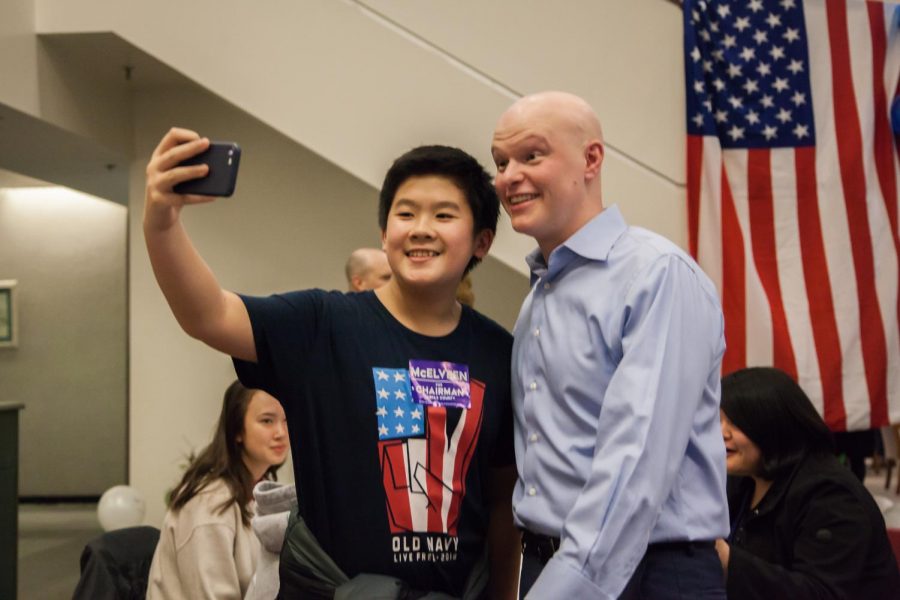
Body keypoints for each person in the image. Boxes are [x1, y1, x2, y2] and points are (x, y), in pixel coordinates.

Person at [143, 130, 520, 599]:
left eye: (444, 215)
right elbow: (208, 315)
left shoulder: (499, 353)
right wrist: (161, 222)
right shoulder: (323, 325)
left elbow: (506, 502)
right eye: (405, 213)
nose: (421, 227)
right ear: (384, 235)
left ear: (481, 242)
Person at [490, 91, 729, 599]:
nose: (509, 176)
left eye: (532, 156)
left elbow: (635, 460)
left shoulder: (655, 274)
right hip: (552, 563)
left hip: (646, 572)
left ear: (591, 159)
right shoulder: (540, 295)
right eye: (501, 162)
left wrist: (564, 589)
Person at [717, 367, 900, 600]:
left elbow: (821, 593)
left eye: (734, 422)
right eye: (719, 420)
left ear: (772, 425)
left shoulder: (832, 497)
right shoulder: (743, 481)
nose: (721, 433)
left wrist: (726, 558)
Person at [147, 380, 289, 599]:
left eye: (286, 420)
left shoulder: (259, 491)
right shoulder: (209, 506)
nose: (281, 432)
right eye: (267, 421)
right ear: (237, 430)